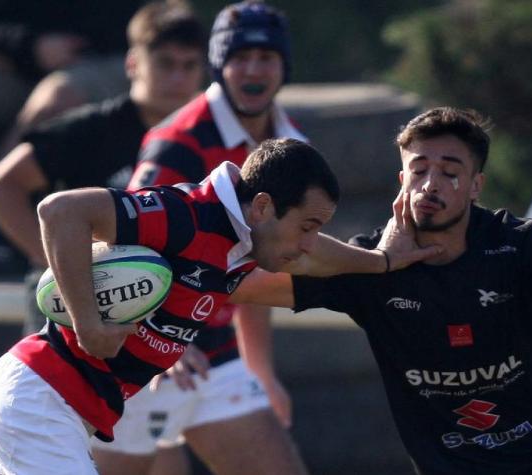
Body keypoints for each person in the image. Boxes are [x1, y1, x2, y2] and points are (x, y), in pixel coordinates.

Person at [0, 138, 435, 474]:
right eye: (307, 225)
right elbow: (60, 211)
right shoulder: (186, 215)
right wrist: (88, 323)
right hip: (42, 398)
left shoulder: (238, 242)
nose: (309, 242)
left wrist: (382, 261)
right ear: (264, 207)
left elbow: (318, 257)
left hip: (46, 401)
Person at [231, 108, 532, 475]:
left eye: (449, 172)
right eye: (418, 171)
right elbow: (240, 283)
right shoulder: (364, 264)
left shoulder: (518, 243)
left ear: (476, 186)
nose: (430, 184)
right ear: (402, 179)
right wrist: (380, 261)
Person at [99, 2, 304, 473]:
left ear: (284, 66)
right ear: (218, 64)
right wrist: (159, 335)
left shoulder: (293, 148)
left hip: (213, 349)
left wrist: (261, 371)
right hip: (144, 349)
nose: (253, 71)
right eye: (239, 58)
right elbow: (124, 247)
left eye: (266, 58)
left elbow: (256, 265)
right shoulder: (180, 140)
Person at [0, 0, 206, 272]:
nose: (178, 78)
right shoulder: (89, 130)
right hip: (78, 295)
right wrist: (61, 266)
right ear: (133, 64)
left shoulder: (212, 137)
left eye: (189, 66)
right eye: (165, 64)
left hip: (174, 290)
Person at [0, 0, 139, 276]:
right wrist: (31, 47)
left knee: (53, 99)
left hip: (100, 56)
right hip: (20, 59)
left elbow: (132, 20)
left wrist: (70, 44)